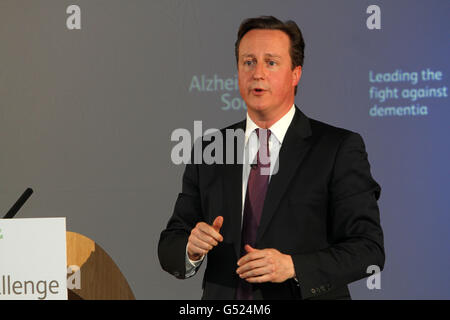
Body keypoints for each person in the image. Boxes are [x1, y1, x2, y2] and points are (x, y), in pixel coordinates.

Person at [158, 16, 384, 300]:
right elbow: (170, 244)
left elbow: (368, 249)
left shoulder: (338, 148)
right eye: (248, 62)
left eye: (271, 62)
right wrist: (190, 249)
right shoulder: (210, 149)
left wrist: (293, 266)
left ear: (295, 74)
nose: (258, 73)